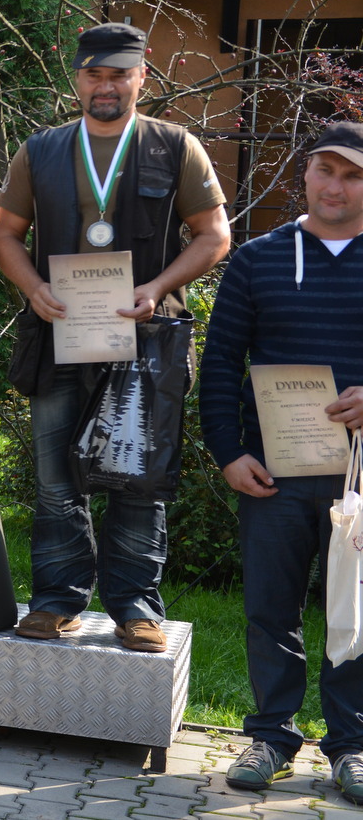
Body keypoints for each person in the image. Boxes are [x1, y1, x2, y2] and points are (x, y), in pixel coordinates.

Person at [0, 23, 229, 652]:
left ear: (141, 76)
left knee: (138, 478)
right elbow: (6, 233)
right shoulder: (40, 150)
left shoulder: (176, 147)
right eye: (94, 73)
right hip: (58, 337)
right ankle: (56, 600)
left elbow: (214, 235)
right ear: (77, 77)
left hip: (145, 344)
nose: (106, 85)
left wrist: (158, 287)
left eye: (119, 74)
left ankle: (135, 608)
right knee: (55, 481)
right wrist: (32, 288)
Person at [199, 121, 363, 801]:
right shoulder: (258, 259)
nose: (335, 186)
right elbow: (219, 361)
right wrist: (229, 452)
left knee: (356, 612)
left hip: (360, 478)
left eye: (352, 175)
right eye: (325, 170)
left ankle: (353, 746)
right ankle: (271, 735)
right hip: (273, 474)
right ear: (306, 173)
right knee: (271, 608)